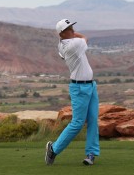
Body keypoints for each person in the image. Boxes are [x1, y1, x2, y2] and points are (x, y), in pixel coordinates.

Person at [45, 19, 100, 165]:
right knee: (77, 123)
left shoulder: (63, 44)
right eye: (69, 28)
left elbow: (75, 38)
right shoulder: (73, 45)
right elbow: (84, 38)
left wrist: (72, 33)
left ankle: (91, 154)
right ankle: (53, 149)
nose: (73, 30)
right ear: (62, 33)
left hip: (90, 85)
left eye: (72, 27)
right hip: (80, 88)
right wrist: (76, 35)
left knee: (93, 120)